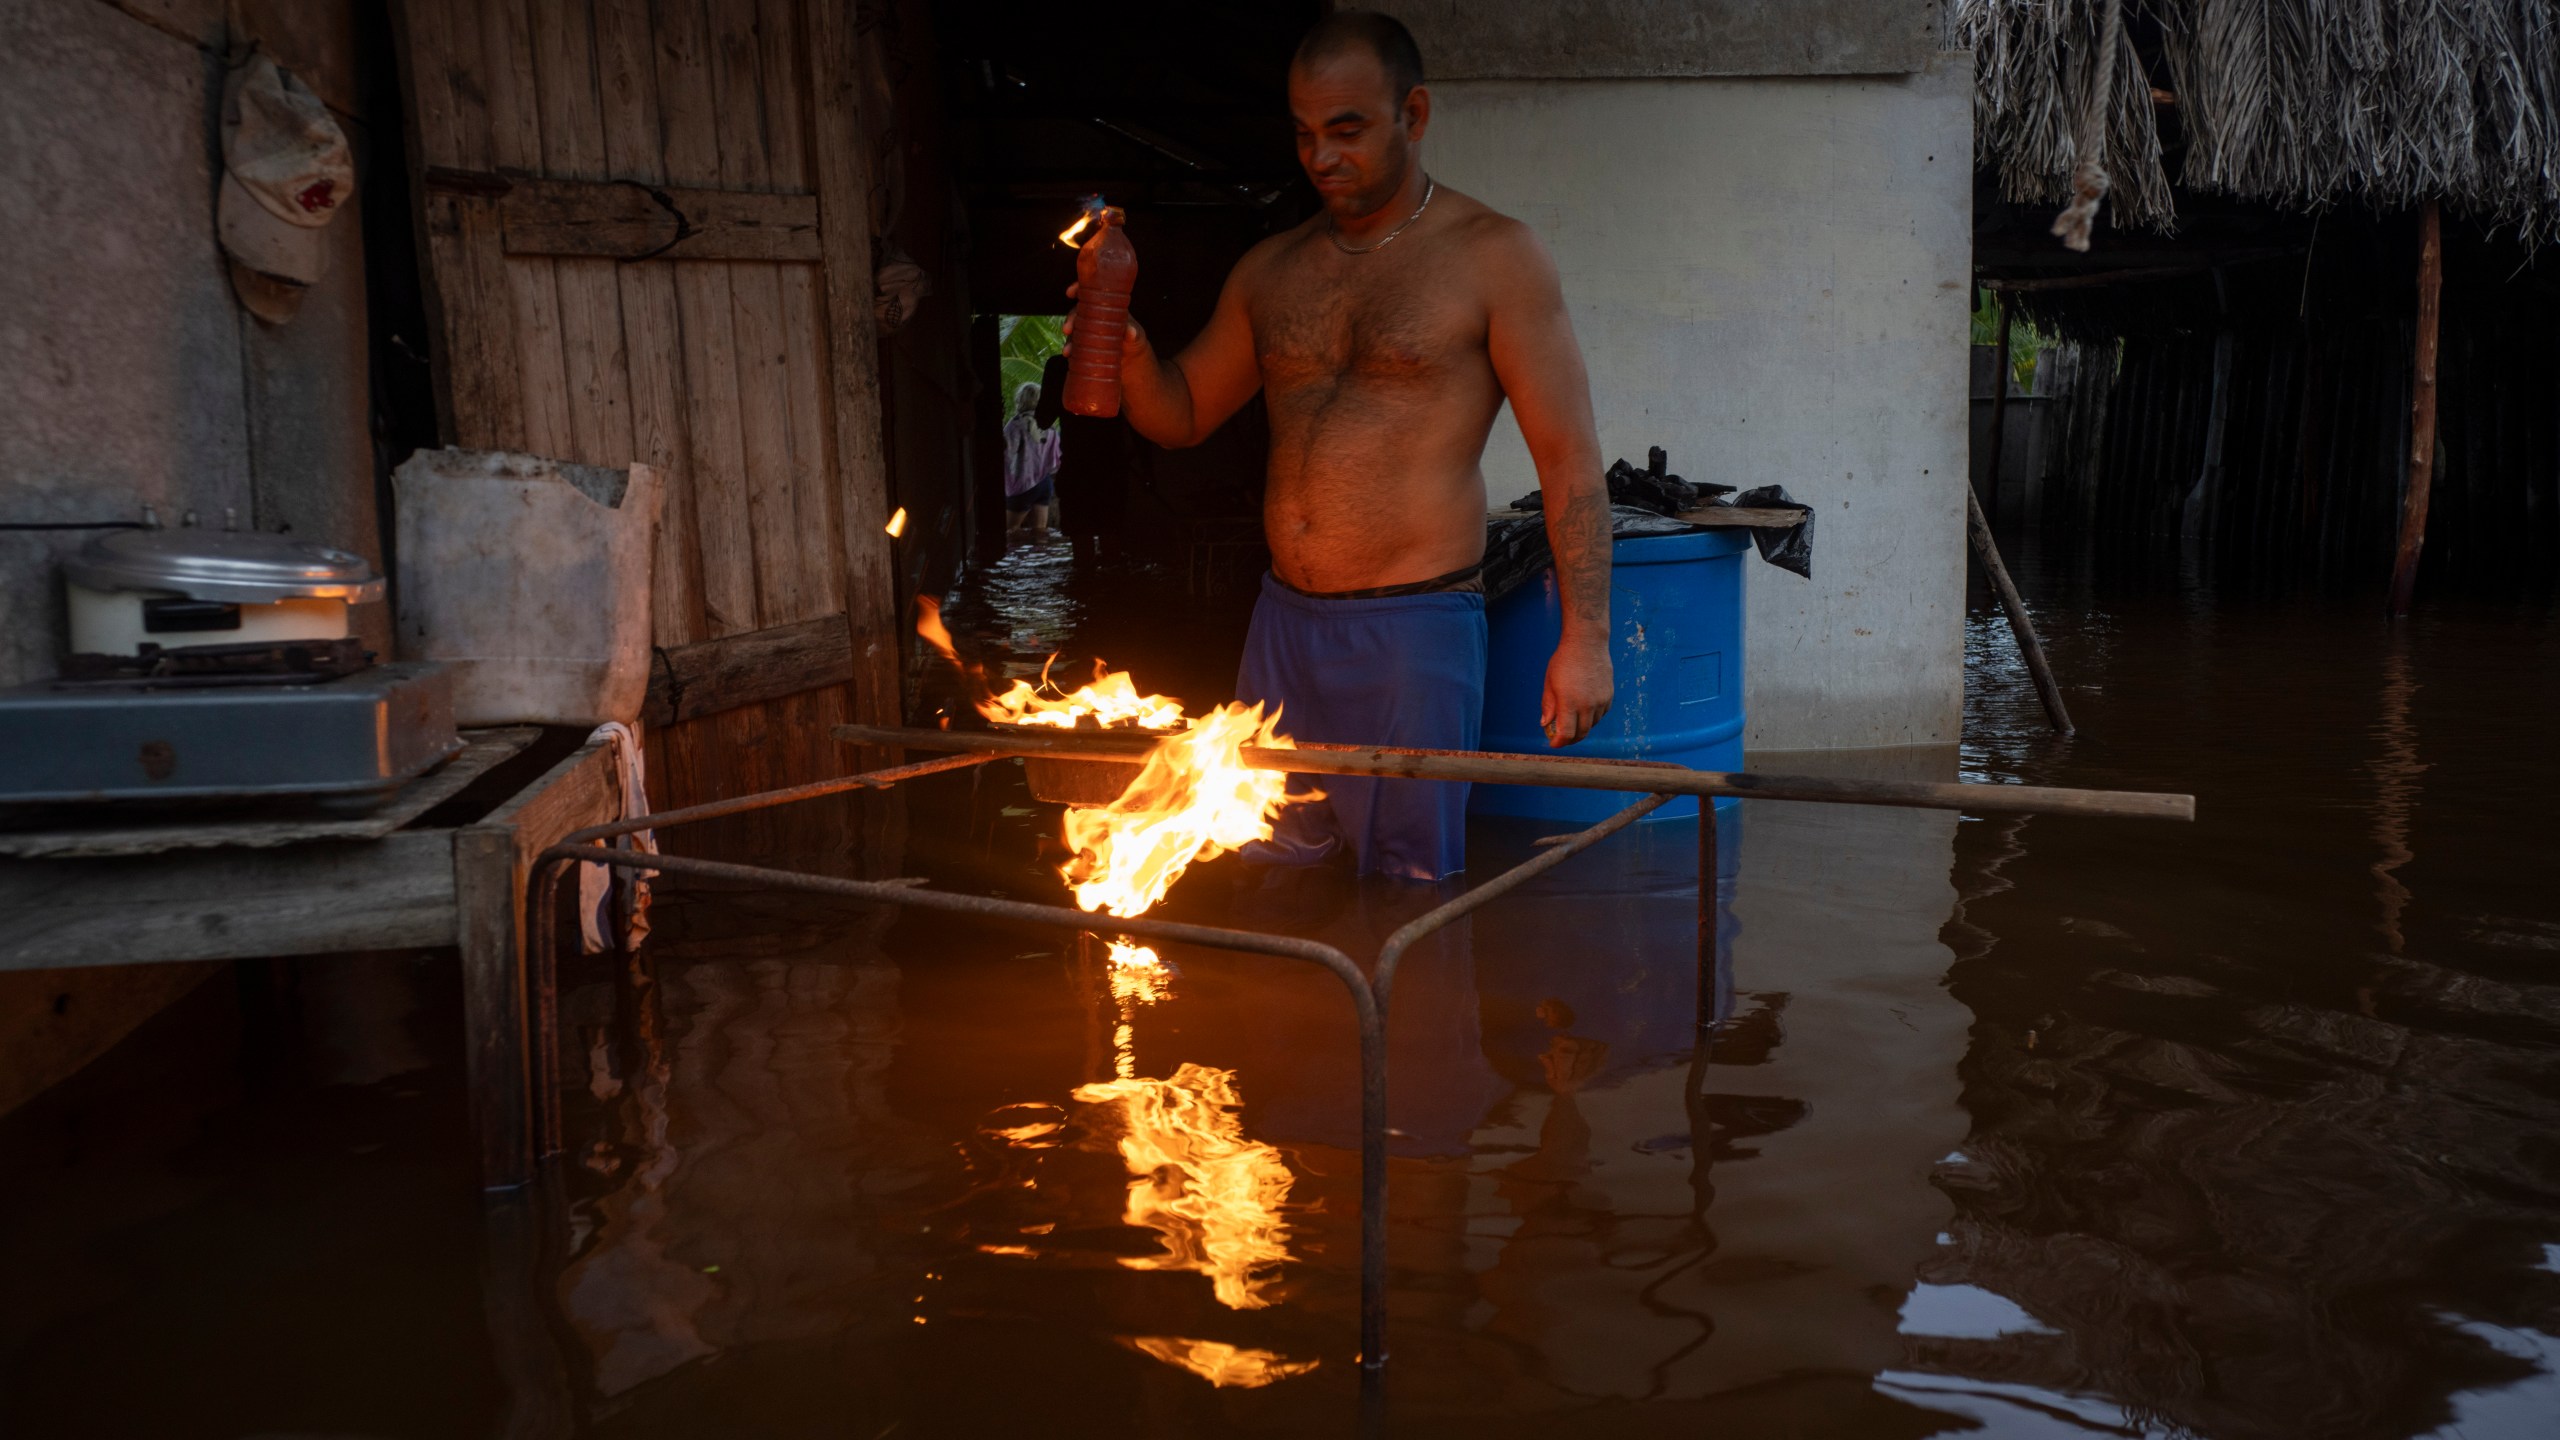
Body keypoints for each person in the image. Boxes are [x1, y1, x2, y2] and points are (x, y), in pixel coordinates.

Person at [1068, 10, 1612, 881]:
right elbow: (1182, 415)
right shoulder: (1272, 271)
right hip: (1282, 626)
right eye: (1304, 133)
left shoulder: (1494, 257)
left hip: (1413, 632)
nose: (1321, 156)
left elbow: (1570, 462)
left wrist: (1584, 639)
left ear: (1415, 114)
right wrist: (1128, 353)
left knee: (1409, 888)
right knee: (1266, 870)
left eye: (1348, 129)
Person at [1002, 380, 1061, 541]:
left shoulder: (1014, 425)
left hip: (1022, 485)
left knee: (1008, 532)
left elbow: (1007, 454)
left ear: (1021, 400)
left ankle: (1014, 564)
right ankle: (1040, 564)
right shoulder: (1049, 427)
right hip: (1044, 484)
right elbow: (1056, 460)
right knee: (1040, 534)